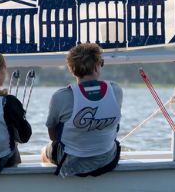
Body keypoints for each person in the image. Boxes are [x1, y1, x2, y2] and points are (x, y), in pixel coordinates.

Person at [42, 42, 123, 178]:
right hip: (107, 161)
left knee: (44, 150)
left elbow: (53, 136)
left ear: (72, 69)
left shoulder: (60, 97)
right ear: (96, 67)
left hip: (71, 163)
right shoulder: (115, 91)